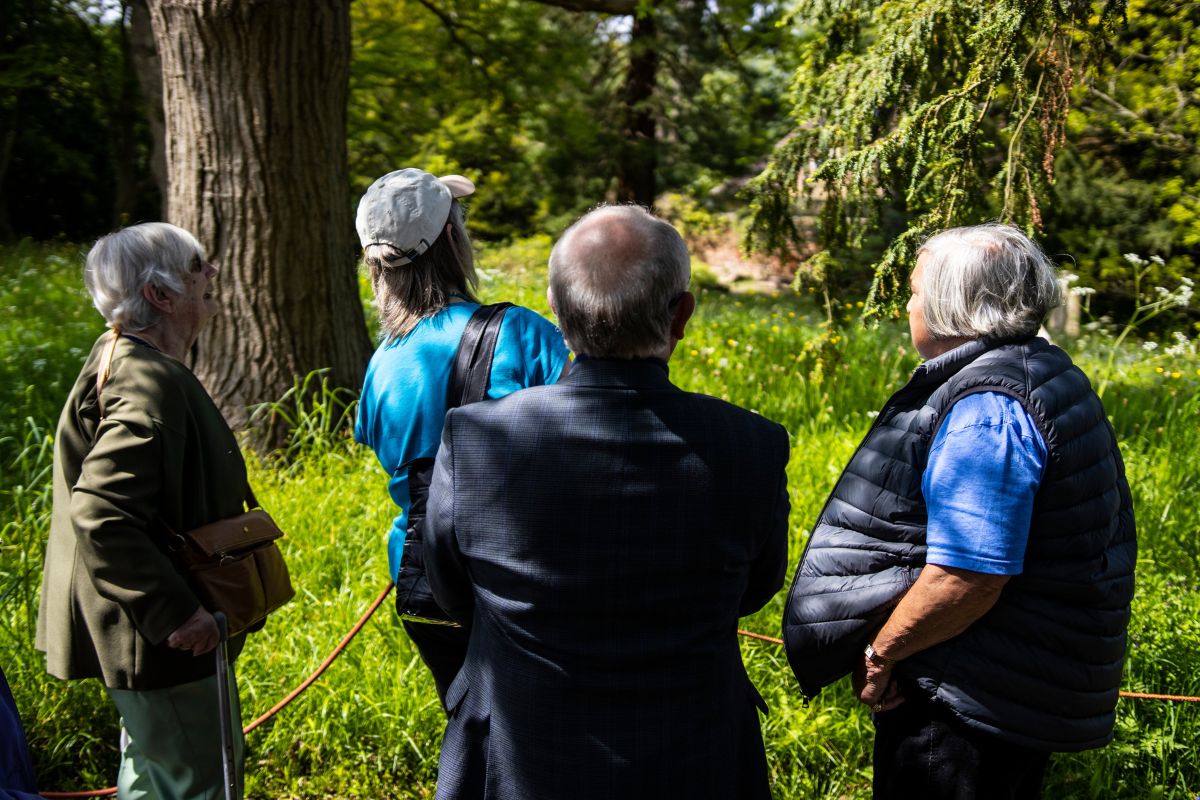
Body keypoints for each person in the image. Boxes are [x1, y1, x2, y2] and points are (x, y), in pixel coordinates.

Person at [423, 205, 790, 800]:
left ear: (557, 308)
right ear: (682, 316)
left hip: (523, 751)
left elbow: (449, 588)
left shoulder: (476, 439)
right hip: (695, 754)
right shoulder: (750, 445)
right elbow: (758, 587)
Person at [783, 223, 1136, 798]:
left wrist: (882, 652)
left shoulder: (988, 409)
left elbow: (968, 575)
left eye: (916, 291)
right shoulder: (1042, 369)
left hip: (968, 696)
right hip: (1013, 679)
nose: (907, 304)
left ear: (953, 306)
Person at [36, 223, 254, 798]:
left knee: (152, 779)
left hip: (141, 638)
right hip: (159, 641)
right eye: (196, 266)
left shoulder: (123, 355)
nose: (210, 275)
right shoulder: (146, 378)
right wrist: (176, 614)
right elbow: (101, 514)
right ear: (160, 295)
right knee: (200, 787)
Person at [353, 168, 570, 708]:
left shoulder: (380, 366)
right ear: (452, 239)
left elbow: (383, 447)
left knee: (470, 720)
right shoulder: (521, 333)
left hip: (423, 581)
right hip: (520, 577)